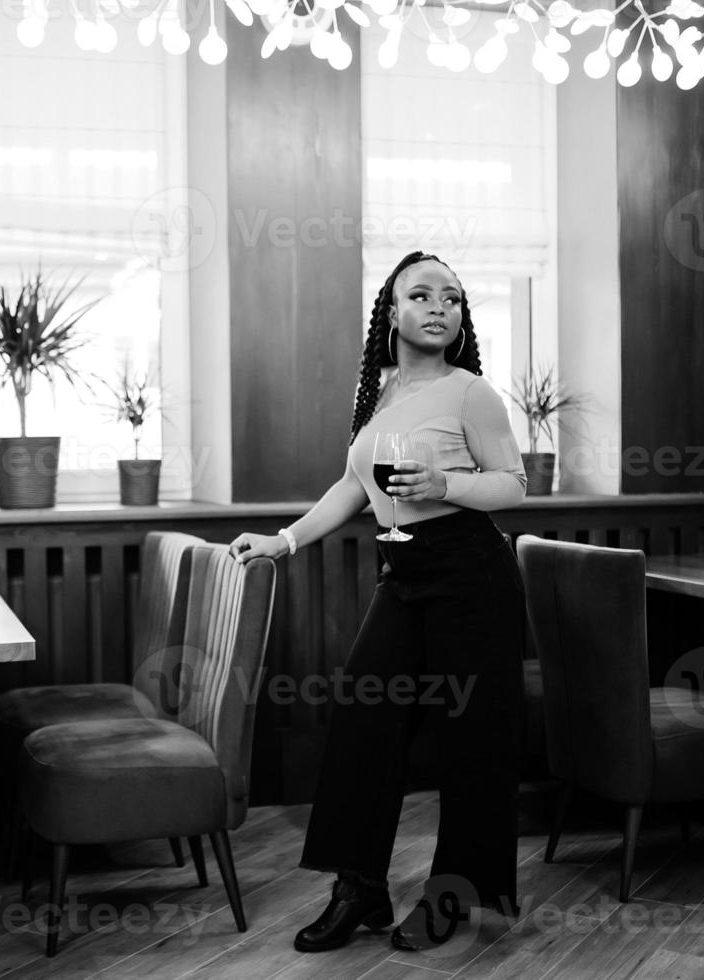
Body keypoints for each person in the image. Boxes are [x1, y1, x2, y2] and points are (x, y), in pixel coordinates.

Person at [228, 250, 528, 954]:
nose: (438, 307)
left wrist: (442, 485)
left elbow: (512, 486)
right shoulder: (380, 395)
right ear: (389, 313)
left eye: (451, 298)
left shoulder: (470, 393)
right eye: (420, 295)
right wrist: (284, 540)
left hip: (471, 575)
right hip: (403, 575)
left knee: (471, 744)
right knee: (361, 717)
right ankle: (357, 886)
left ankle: (453, 891)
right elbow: (351, 486)